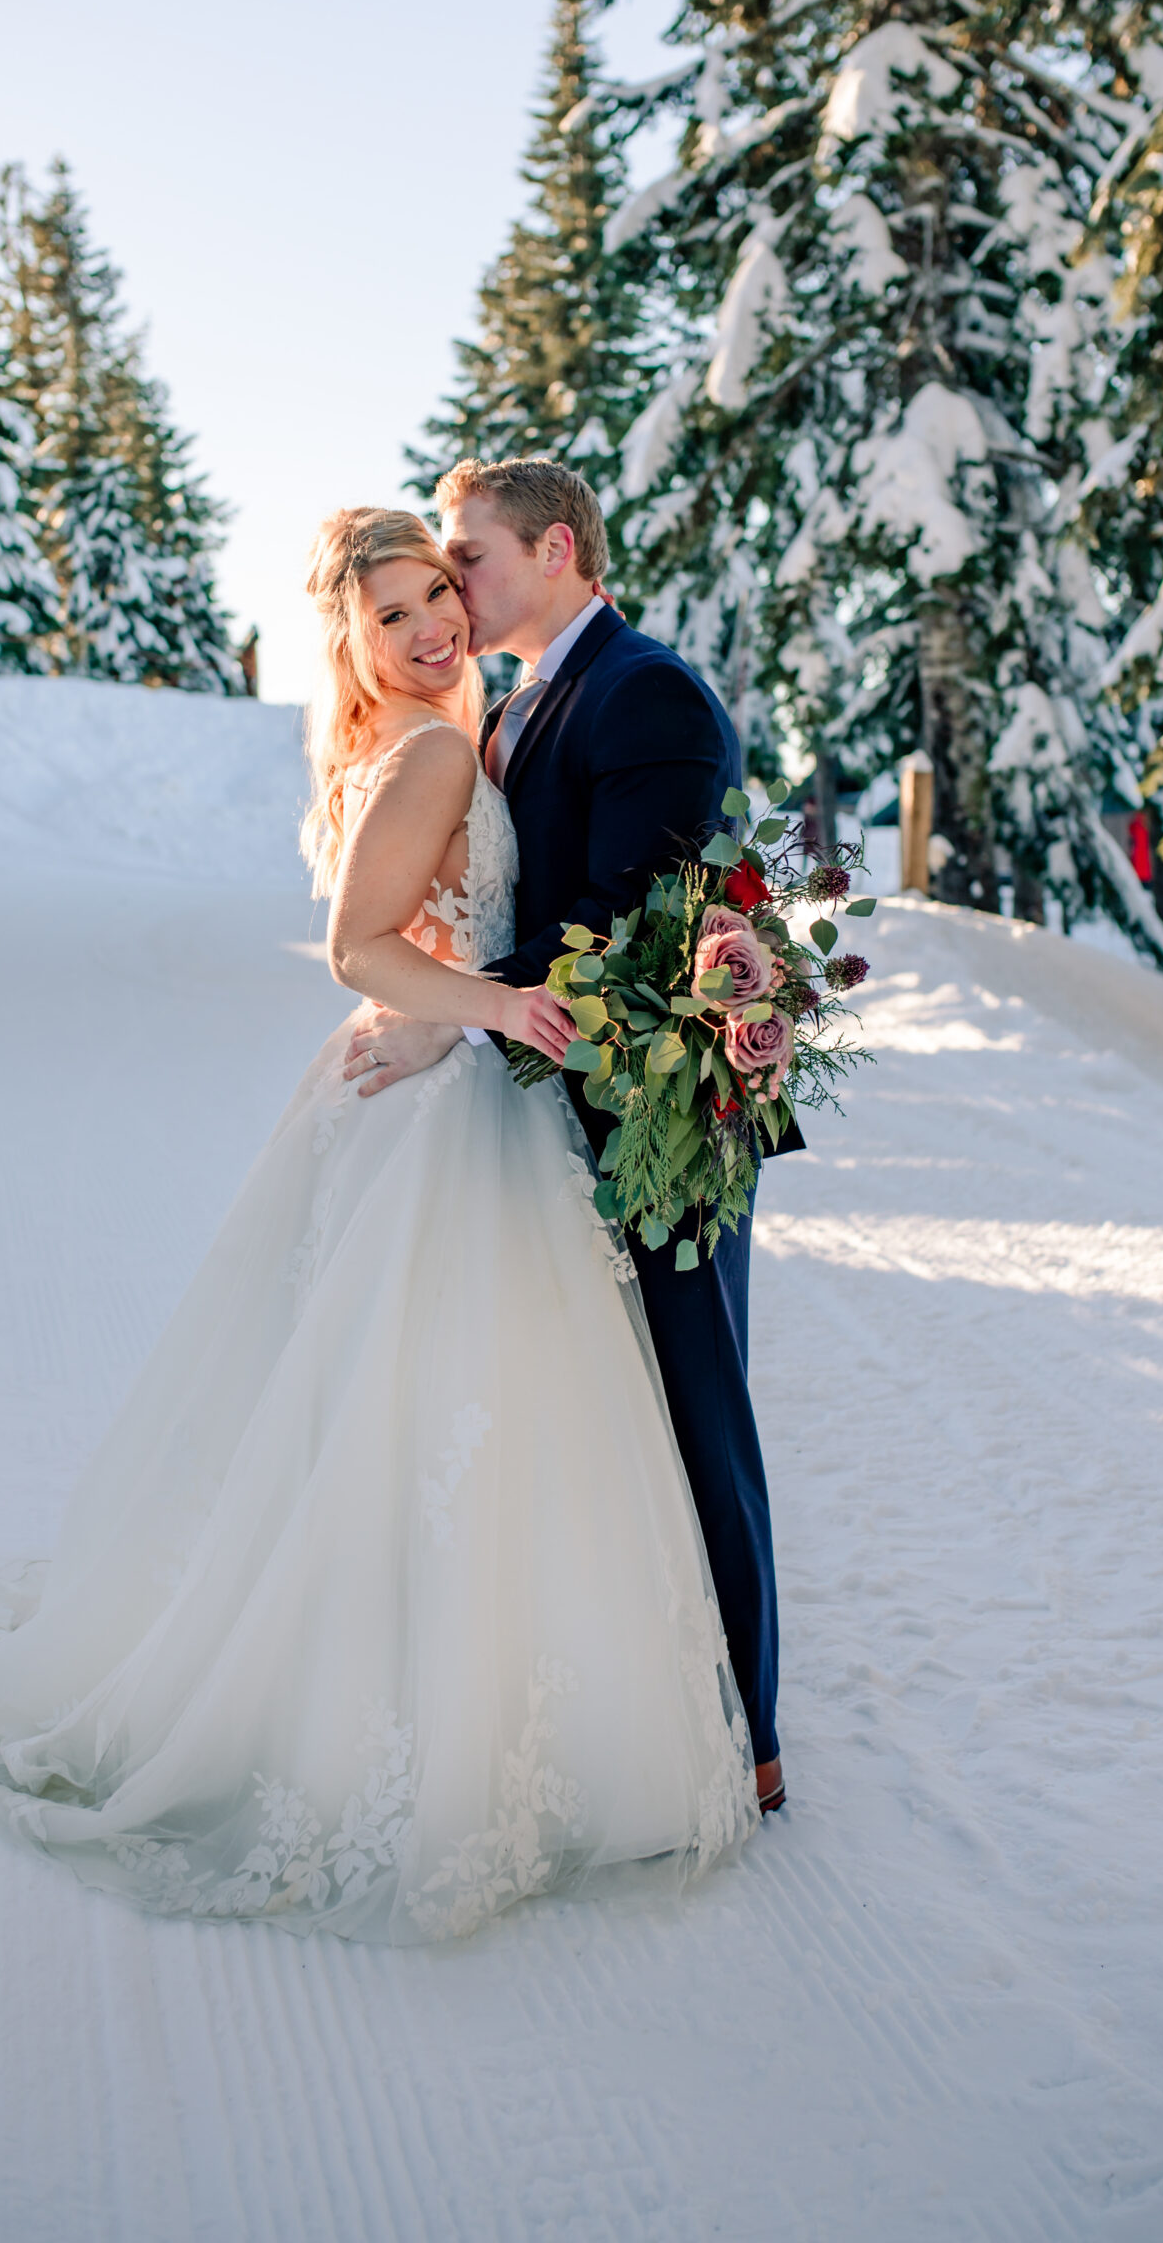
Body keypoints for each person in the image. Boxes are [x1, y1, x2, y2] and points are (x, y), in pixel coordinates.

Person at [0, 505, 756, 1944]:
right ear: (354, 644)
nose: (431, 626)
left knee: (461, 1421)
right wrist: (483, 1013)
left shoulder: (473, 725)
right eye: (395, 614)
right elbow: (360, 947)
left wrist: (456, 1016)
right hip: (452, 1108)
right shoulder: (425, 747)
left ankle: (481, 1700)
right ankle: (393, 1721)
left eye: (436, 595)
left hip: (466, 1088)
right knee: (426, 1412)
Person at [343, 458, 791, 1814]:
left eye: (466, 560)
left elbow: (613, 916)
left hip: (659, 1115)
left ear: (552, 551)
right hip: (558, 1101)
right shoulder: (523, 702)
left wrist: (455, 1015)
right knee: (601, 1423)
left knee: (697, 1414)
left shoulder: (642, 690)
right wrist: (459, 993)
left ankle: (747, 1732)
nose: (453, 592)